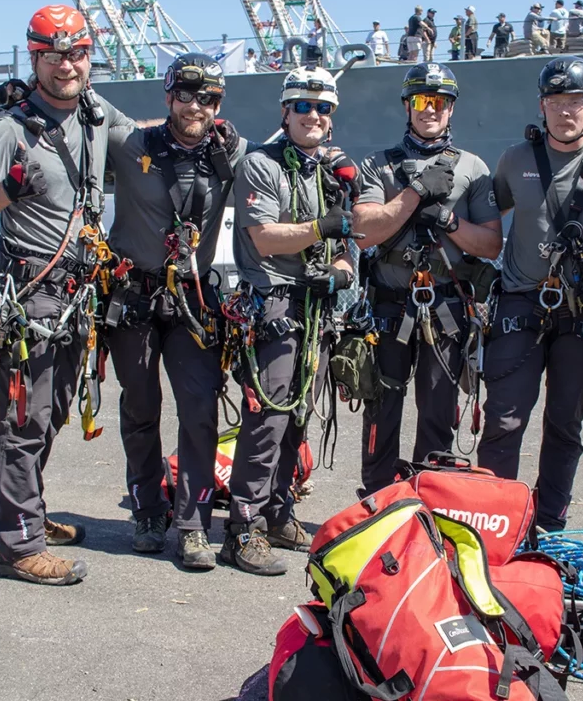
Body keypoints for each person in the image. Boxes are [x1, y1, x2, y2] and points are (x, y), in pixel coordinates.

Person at [0, 4, 131, 585]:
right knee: (23, 418)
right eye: (53, 55)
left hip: (77, 293)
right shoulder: (10, 131)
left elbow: (144, 141)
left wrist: (200, 125)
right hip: (31, 294)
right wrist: (7, 186)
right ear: (35, 58)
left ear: (90, 56)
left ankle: (29, 510)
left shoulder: (97, 114)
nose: (67, 65)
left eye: (77, 53)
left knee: (50, 413)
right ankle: (19, 545)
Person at [478, 57, 583, 532]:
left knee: (566, 427)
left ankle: (550, 526)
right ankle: (492, 523)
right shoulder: (515, 160)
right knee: (504, 421)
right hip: (521, 305)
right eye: (555, 101)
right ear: (541, 106)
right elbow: (486, 214)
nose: (565, 111)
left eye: (575, 102)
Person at [105, 53, 251, 570]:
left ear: (219, 104)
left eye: (208, 97)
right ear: (168, 96)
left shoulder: (232, 154)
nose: (196, 106)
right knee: (140, 406)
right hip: (136, 296)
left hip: (195, 299)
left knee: (199, 411)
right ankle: (148, 512)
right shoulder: (130, 144)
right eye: (185, 94)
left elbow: (287, 159)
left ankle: (192, 525)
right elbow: (82, 102)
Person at [222, 66, 359, 576]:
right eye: (303, 106)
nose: (314, 116)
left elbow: (347, 239)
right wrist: (320, 227)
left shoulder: (331, 170)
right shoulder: (261, 163)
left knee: (299, 416)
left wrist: (342, 273)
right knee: (269, 418)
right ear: (285, 111)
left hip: (317, 308)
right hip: (275, 303)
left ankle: (279, 513)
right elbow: (265, 237)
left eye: (324, 108)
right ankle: (244, 528)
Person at [352, 63, 501, 494]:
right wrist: (415, 194)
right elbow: (364, 232)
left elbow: (490, 245)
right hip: (389, 302)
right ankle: (378, 493)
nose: (430, 109)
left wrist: (448, 219)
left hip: (446, 307)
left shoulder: (473, 168)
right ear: (407, 105)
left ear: (451, 108)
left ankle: (428, 493)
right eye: (421, 101)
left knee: (438, 406)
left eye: (439, 102)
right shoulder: (377, 166)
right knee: (382, 403)